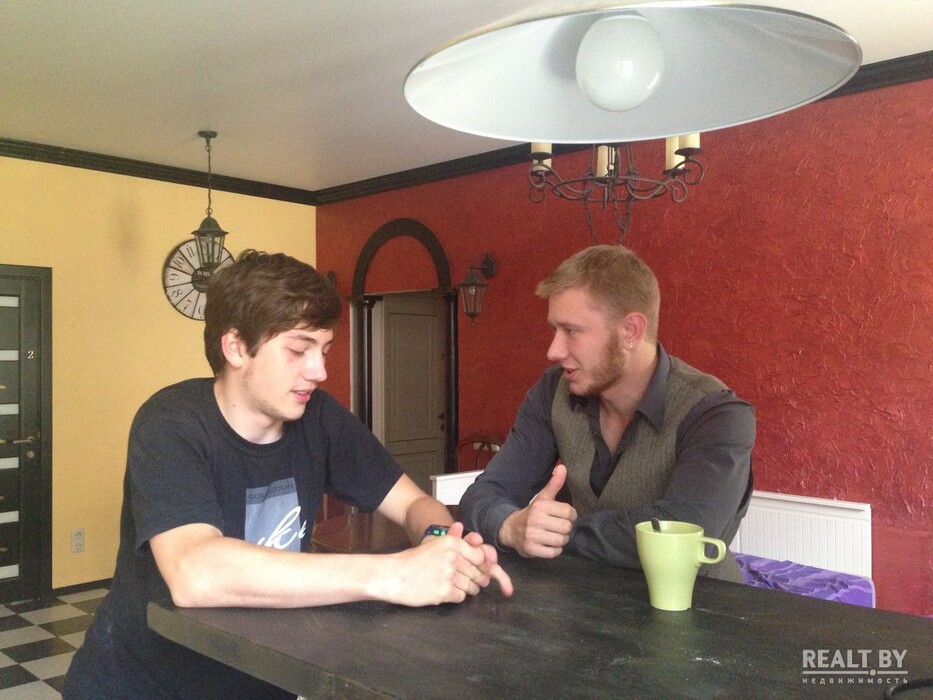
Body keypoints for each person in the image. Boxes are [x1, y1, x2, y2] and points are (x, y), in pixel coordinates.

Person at [63, 250, 511, 699]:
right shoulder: (170, 422)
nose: (320, 371)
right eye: (298, 350)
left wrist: (439, 543)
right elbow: (193, 571)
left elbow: (414, 503)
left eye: (324, 350)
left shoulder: (319, 418)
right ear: (236, 347)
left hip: (260, 678)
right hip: (140, 684)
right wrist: (394, 574)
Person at [460, 244, 754, 582]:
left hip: (701, 606)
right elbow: (484, 495)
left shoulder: (717, 414)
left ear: (630, 331)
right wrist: (510, 526)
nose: (553, 350)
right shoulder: (551, 392)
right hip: (582, 603)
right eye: (555, 330)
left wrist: (556, 535)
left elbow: (684, 533)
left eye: (571, 331)